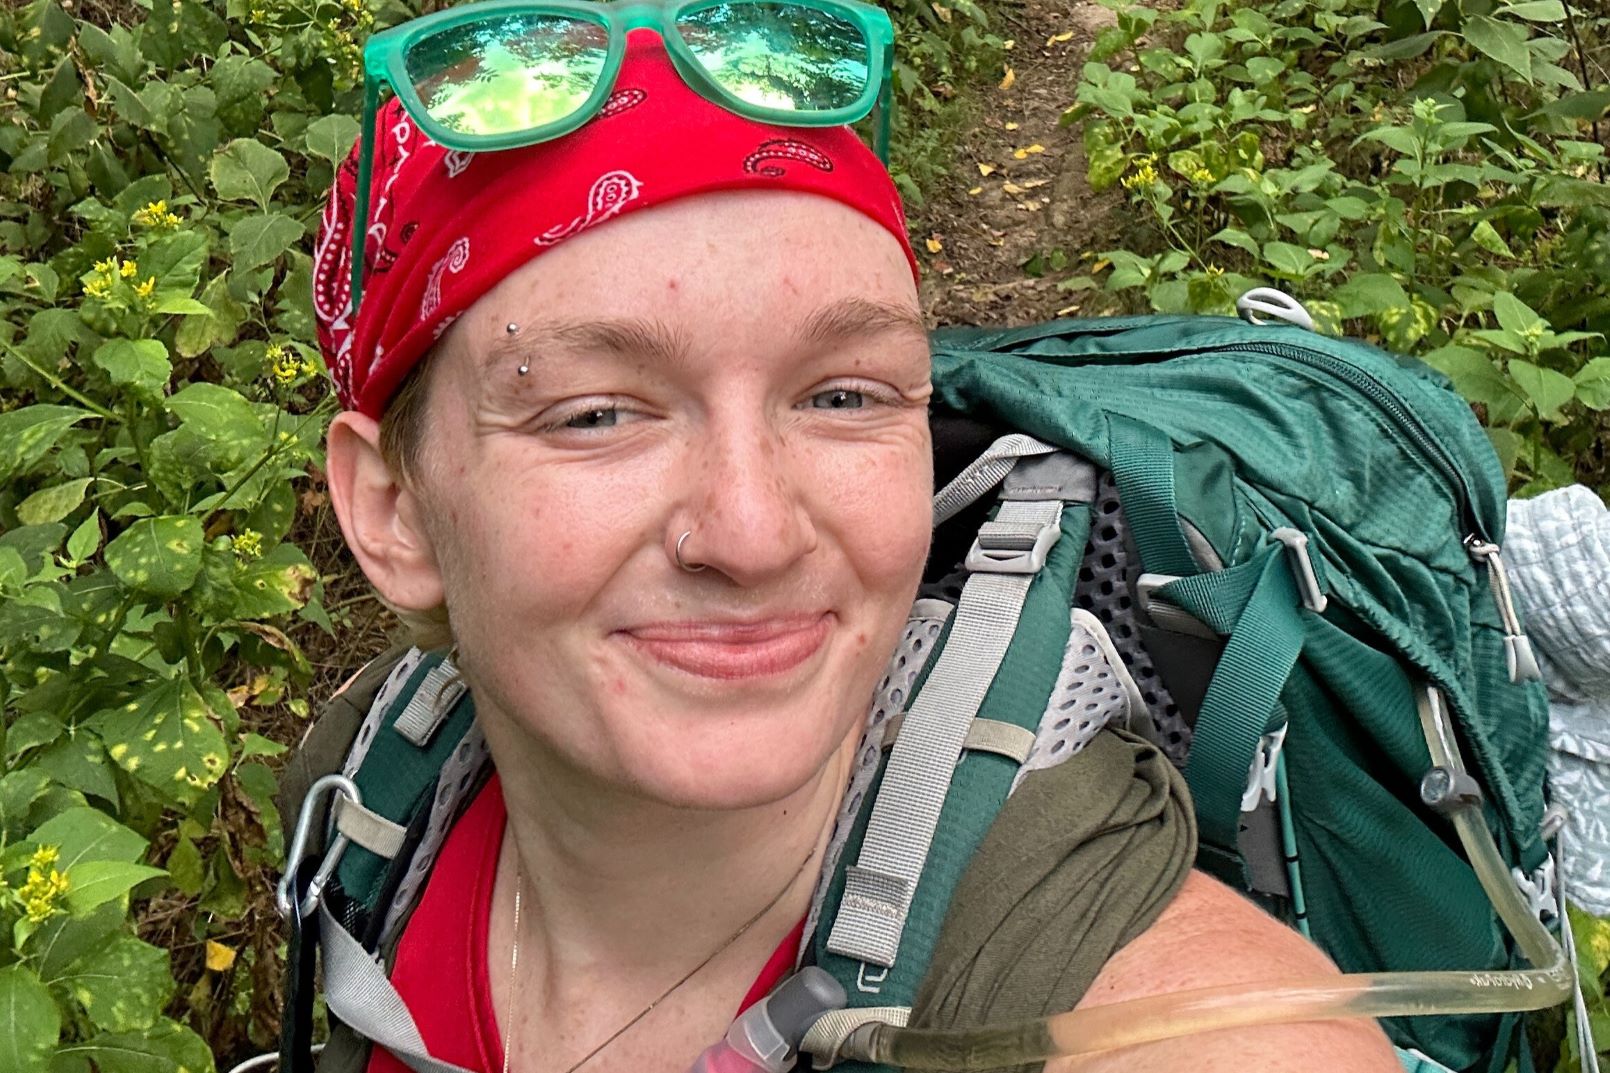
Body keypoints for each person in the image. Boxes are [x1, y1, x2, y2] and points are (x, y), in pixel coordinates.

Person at [310, 7, 1400, 1071]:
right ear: (395, 512)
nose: (751, 534)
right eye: (595, 414)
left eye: (842, 396)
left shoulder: (1192, 1028)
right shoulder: (362, 807)